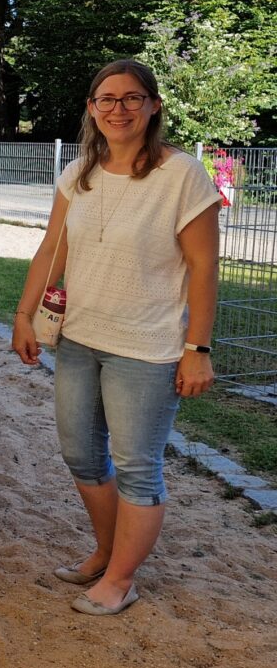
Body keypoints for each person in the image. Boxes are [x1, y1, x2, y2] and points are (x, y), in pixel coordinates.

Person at [12, 60, 218, 615]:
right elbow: (52, 250)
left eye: (132, 98)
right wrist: (24, 313)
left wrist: (197, 349)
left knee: (136, 466)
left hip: (147, 348)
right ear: (91, 108)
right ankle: (106, 550)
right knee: (81, 454)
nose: (118, 109)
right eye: (107, 99)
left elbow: (203, 268)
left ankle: (122, 579)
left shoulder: (182, 175)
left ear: (153, 105)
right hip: (78, 338)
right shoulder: (79, 172)